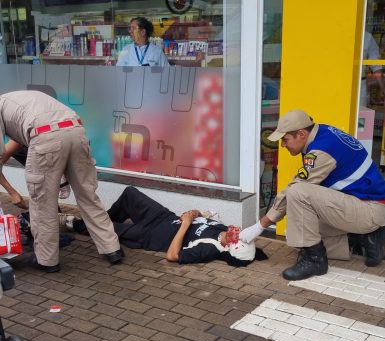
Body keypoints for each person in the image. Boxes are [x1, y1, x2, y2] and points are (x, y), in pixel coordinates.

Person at [240, 109, 385, 281]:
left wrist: (259, 226)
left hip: (368, 209)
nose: (283, 145)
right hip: (365, 205)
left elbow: (296, 188)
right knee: (296, 232)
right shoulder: (323, 132)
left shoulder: (321, 151)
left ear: (301, 134)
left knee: (298, 193)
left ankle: (316, 261)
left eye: (285, 140)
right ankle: (363, 240)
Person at [0, 90, 123, 273]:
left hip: (45, 137)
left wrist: (11, 192)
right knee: (88, 195)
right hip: (77, 131)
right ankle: (112, 249)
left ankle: (47, 261)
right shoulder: (19, 98)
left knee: (43, 204)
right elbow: (20, 137)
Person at [64, 186, 268, 266]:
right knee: (130, 193)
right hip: (162, 217)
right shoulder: (220, 228)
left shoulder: (209, 248)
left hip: (149, 235)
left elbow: (172, 256)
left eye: (237, 236)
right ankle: (104, 221)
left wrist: (185, 225)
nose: (237, 230)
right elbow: (200, 216)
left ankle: (75, 224)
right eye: (239, 231)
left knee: (104, 229)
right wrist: (194, 214)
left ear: (233, 246)